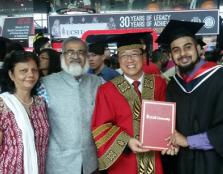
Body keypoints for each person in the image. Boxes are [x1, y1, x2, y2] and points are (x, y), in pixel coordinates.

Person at [91, 35, 166, 174]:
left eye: (134, 54)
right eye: (124, 55)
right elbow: (100, 127)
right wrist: (127, 141)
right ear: (118, 60)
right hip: (123, 162)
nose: (129, 60)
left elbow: (167, 119)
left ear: (143, 57)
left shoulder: (159, 84)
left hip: (154, 158)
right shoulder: (106, 90)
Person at [157, 20, 223, 174]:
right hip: (183, 164)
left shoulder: (219, 78)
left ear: (199, 48)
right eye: (176, 50)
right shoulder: (173, 85)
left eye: (188, 47)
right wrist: (169, 142)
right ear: (171, 55)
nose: (183, 54)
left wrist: (188, 141)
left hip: (215, 163)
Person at [41, 37, 103, 174]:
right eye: (70, 52)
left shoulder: (99, 83)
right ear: (62, 56)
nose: (76, 56)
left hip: (91, 163)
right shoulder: (45, 84)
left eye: (81, 52)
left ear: (86, 56)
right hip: (59, 164)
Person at [0, 50, 49, 173]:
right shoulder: (2, 104)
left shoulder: (41, 104)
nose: (30, 74)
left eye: (34, 70)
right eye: (23, 71)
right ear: (11, 75)